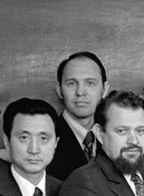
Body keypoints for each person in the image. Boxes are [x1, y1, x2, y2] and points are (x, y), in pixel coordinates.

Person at [46, 51, 110, 180]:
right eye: (71, 83)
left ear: (104, 89)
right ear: (59, 90)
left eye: (90, 83)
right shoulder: (46, 139)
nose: (80, 92)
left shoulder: (113, 136)